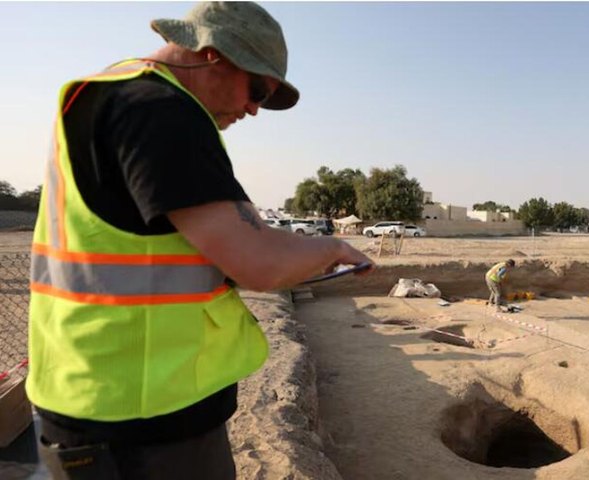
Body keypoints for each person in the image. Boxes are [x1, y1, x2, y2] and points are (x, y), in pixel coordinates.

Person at [26, 2, 373, 479]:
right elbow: (260, 264)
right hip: (141, 422)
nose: (254, 109)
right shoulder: (160, 113)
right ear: (213, 54)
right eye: (257, 89)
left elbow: (216, 244)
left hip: (96, 395)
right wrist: (331, 249)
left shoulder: (117, 96)